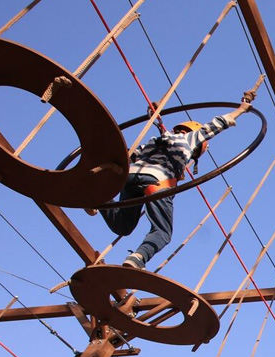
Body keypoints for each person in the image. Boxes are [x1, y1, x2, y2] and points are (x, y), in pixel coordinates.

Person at [88, 96, 253, 270]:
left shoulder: (156, 141)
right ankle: (138, 257)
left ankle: (99, 199)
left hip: (130, 178)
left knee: (123, 226)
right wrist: (240, 110)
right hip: (156, 181)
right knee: (163, 232)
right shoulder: (189, 139)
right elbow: (217, 125)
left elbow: (128, 156)